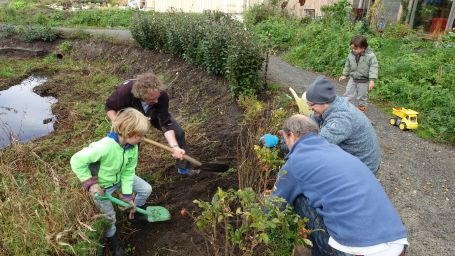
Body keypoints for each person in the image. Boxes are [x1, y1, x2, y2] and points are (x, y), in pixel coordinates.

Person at [271, 114, 408, 256]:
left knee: (298, 197)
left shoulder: (295, 162)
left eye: (285, 139)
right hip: (398, 244)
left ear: (291, 135)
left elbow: (274, 204)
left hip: (356, 251)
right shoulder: (337, 151)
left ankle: (316, 251)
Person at [70, 108, 153, 256]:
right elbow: (76, 160)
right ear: (128, 132)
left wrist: (127, 196)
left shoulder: (132, 147)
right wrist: (91, 183)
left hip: (120, 177)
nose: (143, 138)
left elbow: (128, 172)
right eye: (140, 135)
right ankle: (114, 244)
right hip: (103, 186)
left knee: (146, 189)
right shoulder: (104, 146)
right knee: (110, 218)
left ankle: (134, 211)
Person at [105, 72, 198, 175]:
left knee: (178, 133)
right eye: (153, 98)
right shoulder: (124, 92)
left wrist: (174, 146)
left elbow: (166, 122)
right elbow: (109, 107)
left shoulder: (161, 95)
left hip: (152, 112)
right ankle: (126, 177)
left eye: (157, 97)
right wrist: (120, 125)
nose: (157, 100)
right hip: (131, 116)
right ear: (142, 96)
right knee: (129, 144)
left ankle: (183, 167)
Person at [306, 75, 381, 173]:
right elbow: (313, 119)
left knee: (317, 169)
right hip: (354, 158)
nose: (308, 108)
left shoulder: (341, 118)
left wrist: (290, 143)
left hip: (363, 167)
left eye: (311, 104)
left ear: (323, 101)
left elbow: (317, 146)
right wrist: (296, 131)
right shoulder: (332, 103)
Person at [339, 35, 379, 112]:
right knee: (348, 93)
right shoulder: (351, 54)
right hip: (353, 79)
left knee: (362, 97)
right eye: (352, 48)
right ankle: (344, 109)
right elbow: (347, 65)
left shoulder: (370, 56)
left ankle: (361, 111)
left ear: (363, 47)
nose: (353, 50)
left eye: (356, 49)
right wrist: (344, 74)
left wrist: (372, 80)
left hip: (364, 81)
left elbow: (374, 67)